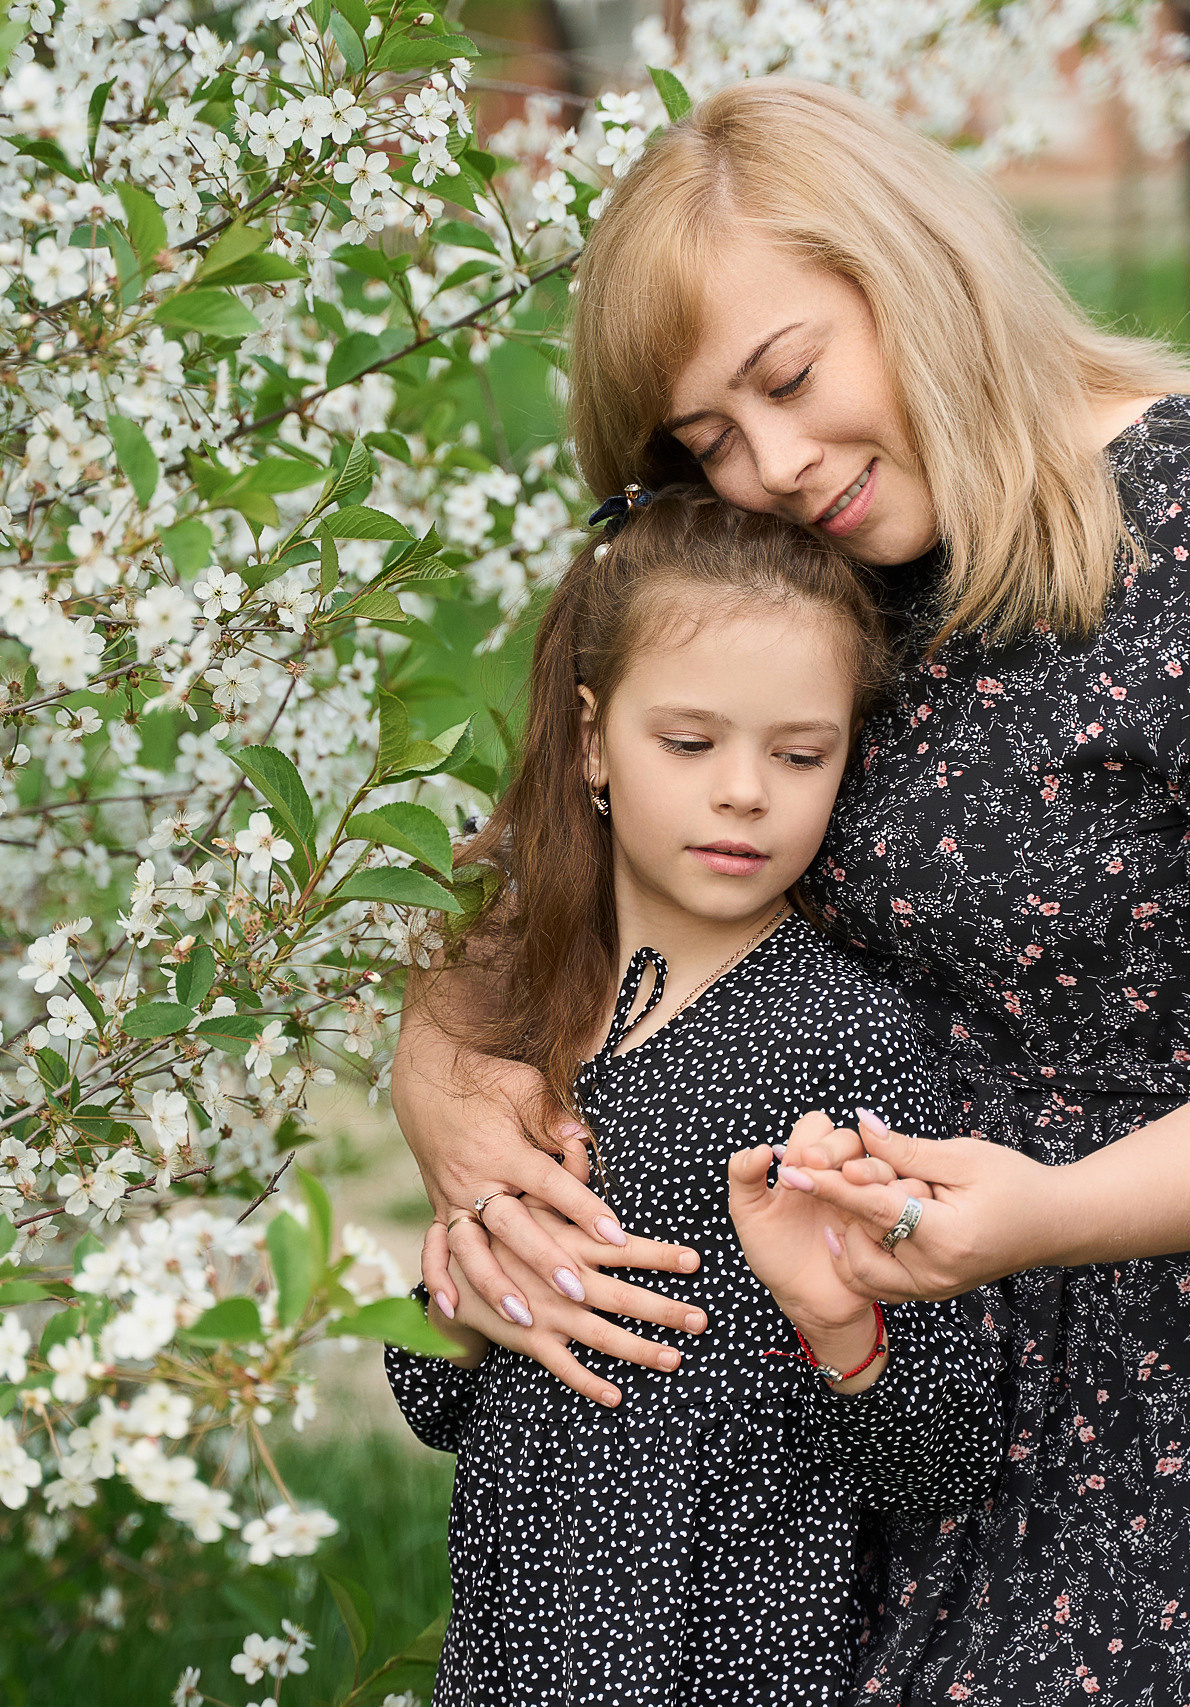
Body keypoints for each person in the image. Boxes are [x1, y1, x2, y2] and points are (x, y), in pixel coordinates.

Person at [394, 78, 1190, 1706]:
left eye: (789, 377)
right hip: (812, 1428)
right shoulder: (805, 567)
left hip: (1172, 1427)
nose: (772, 462)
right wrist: (452, 1097)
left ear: (912, 270)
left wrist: (1048, 1212)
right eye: (708, 438)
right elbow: (553, 876)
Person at [384, 490, 1004, 1704]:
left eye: (798, 754)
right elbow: (447, 1400)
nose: (743, 793)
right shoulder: (527, 1015)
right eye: (688, 743)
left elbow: (940, 1460)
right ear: (591, 740)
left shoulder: (846, 1039)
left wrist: (837, 1323)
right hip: (524, 1643)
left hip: (721, 1651)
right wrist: (466, 1301)